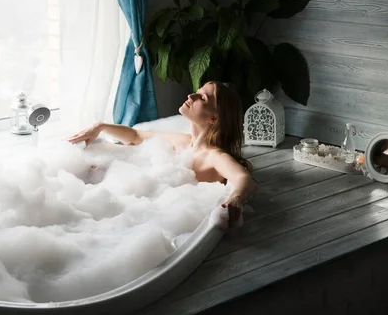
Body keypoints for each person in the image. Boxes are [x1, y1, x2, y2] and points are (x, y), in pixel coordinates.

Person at [66, 81, 257, 228]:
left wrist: (235, 199)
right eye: (197, 91)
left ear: (213, 118)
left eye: (203, 98)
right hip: (139, 201)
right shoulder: (183, 141)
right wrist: (99, 127)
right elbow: (135, 136)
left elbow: (243, 178)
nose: (191, 95)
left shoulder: (213, 155)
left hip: (158, 215)